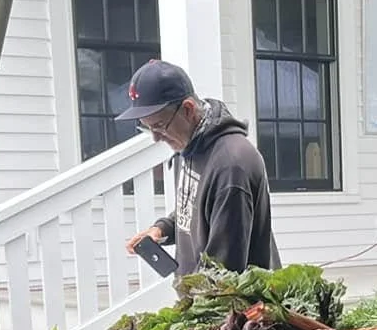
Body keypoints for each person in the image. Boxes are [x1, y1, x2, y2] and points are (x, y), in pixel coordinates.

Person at [118, 59, 277, 275]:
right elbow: (195, 210)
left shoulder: (232, 167)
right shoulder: (188, 145)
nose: (155, 138)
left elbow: (223, 273)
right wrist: (162, 228)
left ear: (188, 109)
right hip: (199, 296)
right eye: (147, 128)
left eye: (159, 126)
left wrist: (191, 305)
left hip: (232, 304)